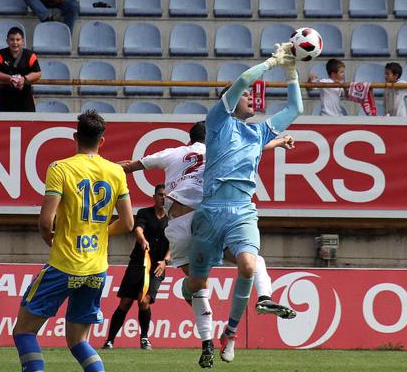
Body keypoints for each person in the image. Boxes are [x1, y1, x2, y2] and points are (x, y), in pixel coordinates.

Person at [119, 121, 297, 368]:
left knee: (198, 286)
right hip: (210, 218)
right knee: (254, 261)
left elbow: (129, 166)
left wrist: (96, 166)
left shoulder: (173, 153)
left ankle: (207, 343)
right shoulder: (221, 149)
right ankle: (263, 297)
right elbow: (254, 146)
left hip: (181, 222)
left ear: (189, 139)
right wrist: (280, 141)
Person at [182, 43, 301, 366]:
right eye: (246, 97)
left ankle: (230, 333)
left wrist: (291, 70)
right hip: (210, 213)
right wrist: (272, 62)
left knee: (249, 265)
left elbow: (295, 109)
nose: (251, 99)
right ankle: (189, 284)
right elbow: (242, 81)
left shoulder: (259, 133)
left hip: (243, 211)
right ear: (233, 103)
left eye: (250, 96)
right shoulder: (218, 122)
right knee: (195, 284)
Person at [12, 110, 134, 372]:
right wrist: (100, 233)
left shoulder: (60, 168)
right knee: (79, 341)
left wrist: (50, 239)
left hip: (64, 264)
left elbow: (46, 222)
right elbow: (128, 224)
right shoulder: (116, 171)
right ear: (102, 141)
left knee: (24, 331)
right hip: (96, 269)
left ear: (76, 137)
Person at [103, 184, 170, 351]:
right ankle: (110, 340)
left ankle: (144, 338)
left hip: (157, 267)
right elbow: (138, 229)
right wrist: (142, 240)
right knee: (125, 302)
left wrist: (165, 261)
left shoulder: (173, 218)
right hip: (138, 263)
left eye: (166, 196)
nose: (163, 198)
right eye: (160, 195)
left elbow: (175, 244)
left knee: (144, 300)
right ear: (154, 196)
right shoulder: (144, 213)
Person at [0, 27, 42, 112]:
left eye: (18, 39)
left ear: (23, 41)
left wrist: (24, 79)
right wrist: (10, 78)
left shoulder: (30, 55)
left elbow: (38, 73)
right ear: (7, 40)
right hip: (6, 99)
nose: (15, 42)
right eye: (12, 39)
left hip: (26, 100)